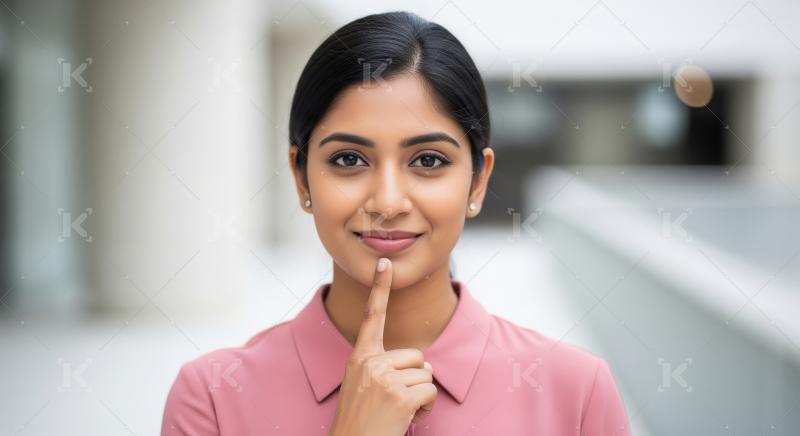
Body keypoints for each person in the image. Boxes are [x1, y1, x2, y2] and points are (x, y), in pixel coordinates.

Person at [161, 10, 631, 435]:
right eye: (348, 159)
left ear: (478, 182)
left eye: (427, 160)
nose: (387, 201)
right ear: (302, 179)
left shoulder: (576, 393)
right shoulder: (213, 400)